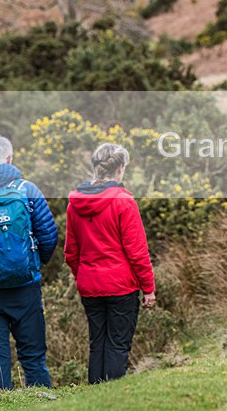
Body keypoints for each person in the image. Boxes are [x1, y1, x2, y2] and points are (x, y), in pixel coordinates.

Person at [65, 143, 155, 384]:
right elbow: (137, 252)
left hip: (90, 285)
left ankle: (95, 397)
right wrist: (148, 287)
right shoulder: (124, 202)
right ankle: (112, 399)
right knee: (117, 344)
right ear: (120, 169)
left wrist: (83, 274)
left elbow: (71, 253)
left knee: (98, 343)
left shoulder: (74, 204)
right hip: (121, 286)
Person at [0, 135, 58, 390]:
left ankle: (0, 403)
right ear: (9, 158)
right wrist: (35, 263)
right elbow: (49, 234)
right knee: (33, 355)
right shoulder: (27, 189)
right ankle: (41, 400)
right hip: (26, 285)